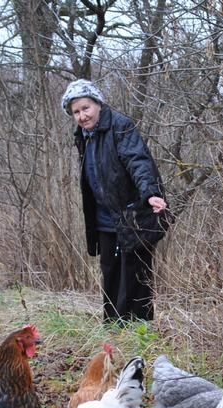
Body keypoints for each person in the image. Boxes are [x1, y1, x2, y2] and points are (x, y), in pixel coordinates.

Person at [61, 78, 171, 324]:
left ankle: (138, 330)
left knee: (135, 274)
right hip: (104, 217)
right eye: (76, 112)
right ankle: (112, 327)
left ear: (98, 104)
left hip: (132, 214)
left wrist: (151, 193)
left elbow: (138, 161)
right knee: (110, 271)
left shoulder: (120, 126)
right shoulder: (83, 136)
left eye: (86, 108)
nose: (82, 116)